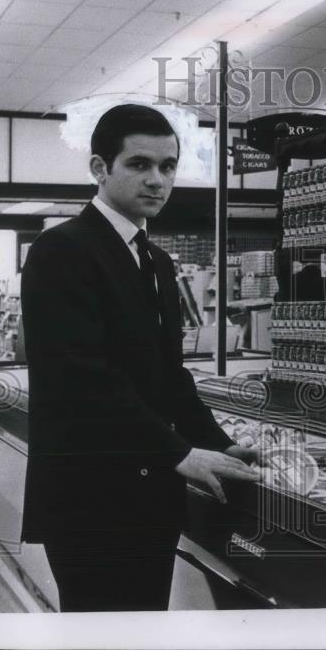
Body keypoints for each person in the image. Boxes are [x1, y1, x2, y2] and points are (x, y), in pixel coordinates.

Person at [20, 103, 259, 612]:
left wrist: (217, 442)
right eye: (139, 164)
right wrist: (180, 453)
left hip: (148, 497)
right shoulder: (60, 250)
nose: (157, 179)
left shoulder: (155, 259)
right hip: (89, 498)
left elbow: (167, 374)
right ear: (99, 169)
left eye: (168, 166)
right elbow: (82, 381)